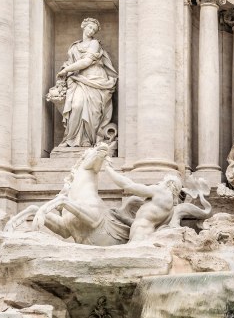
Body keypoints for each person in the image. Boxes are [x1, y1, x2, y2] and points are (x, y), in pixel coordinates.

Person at [57, 18, 117, 148]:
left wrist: (67, 70)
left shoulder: (94, 43)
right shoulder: (74, 47)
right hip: (79, 79)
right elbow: (71, 62)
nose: (91, 31)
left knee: (93, 112)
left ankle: (87, 140)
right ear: (83, 26)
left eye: (94, 30)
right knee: (76, 105)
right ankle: (70, 139)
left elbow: (86, 62)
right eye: (90, 27)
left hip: (95, 78)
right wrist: (65, 70)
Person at [104, 167, 182, 242]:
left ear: (168, 183)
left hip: (140, 235)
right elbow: (145, 221)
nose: (158, 184)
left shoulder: (161, 191)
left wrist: (109, 170)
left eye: (161, 182)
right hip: (143, 235)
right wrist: (122, 218)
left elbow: (129, 185)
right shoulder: (170, 208)